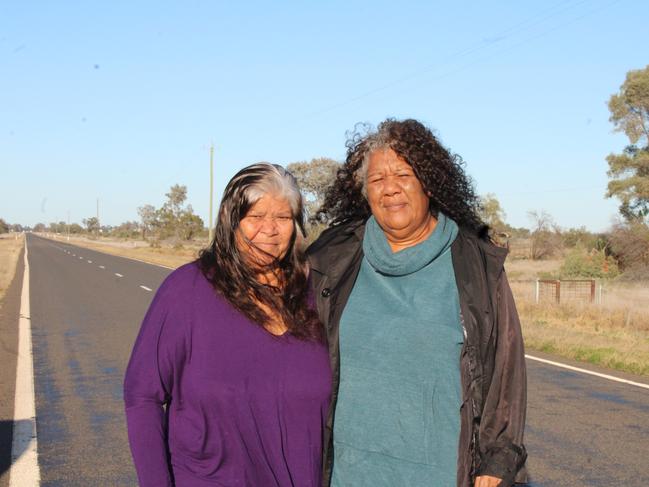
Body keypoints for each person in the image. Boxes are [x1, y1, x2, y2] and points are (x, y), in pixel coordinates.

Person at [307, 119, 527, 487]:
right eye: (377, 180)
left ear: (429, 183)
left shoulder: (475, 266)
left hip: (442, 473)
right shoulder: (333, 259)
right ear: (365, 192)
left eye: (403, 175)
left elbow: (505, 376)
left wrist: (498, 461)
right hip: (347, 473)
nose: (390, 189)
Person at [124, 163, 332, 487]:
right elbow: (141, 395)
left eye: (282, 217)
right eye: (255, 217)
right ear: (230, 222)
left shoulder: (317, 295)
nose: (270, 229)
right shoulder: (187, 290)